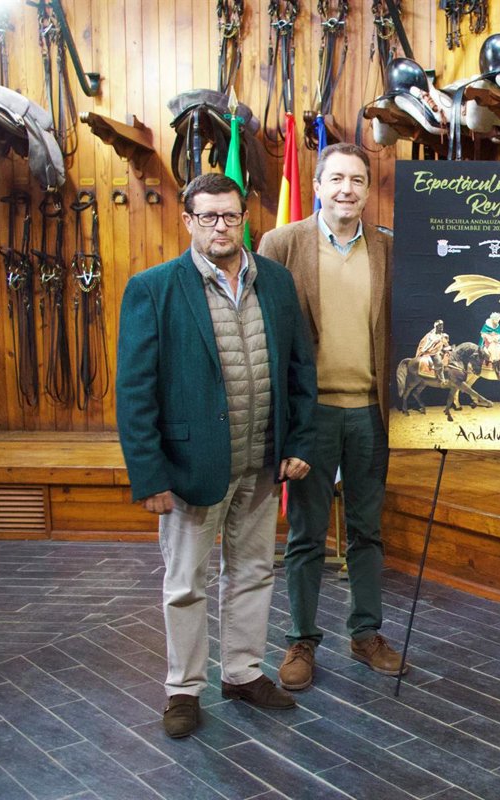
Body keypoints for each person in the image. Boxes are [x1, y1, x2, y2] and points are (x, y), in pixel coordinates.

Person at [116, 173, 316, 739]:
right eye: (208, 216)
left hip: (261, 460)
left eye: (230, 215)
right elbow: (134, 391)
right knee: (186, 582)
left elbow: (301, 369)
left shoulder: (276, 282)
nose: (221, 226)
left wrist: (298, 441)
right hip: (191, 469)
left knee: (252, 572)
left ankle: (243, 673)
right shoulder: (153, 288)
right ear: (189, 221)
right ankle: (184, 688)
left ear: (244, 218)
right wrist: (149, 475)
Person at [257, 142, 408, 691]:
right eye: (337, 179)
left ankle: (366, 634)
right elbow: (263, 331)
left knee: (367, 532)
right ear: (318, 186)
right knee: (306, 534)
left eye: (357, 180)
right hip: (310, 416)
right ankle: (301, 639)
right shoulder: (281, 244)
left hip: (370, 413)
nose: (347, 189)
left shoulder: (389, 249)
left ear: (368, 191)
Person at [480, 311, 500, 378]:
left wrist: (496, 338)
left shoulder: (497, 325)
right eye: (496, 320)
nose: (497, 321)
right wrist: (491, 338)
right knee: (494, 350)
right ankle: (497, 369)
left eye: (498, 320)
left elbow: (499, 334)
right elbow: (483, 334)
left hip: (496, 342)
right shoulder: (487, 325)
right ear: (493, 319)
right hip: (489, 343)